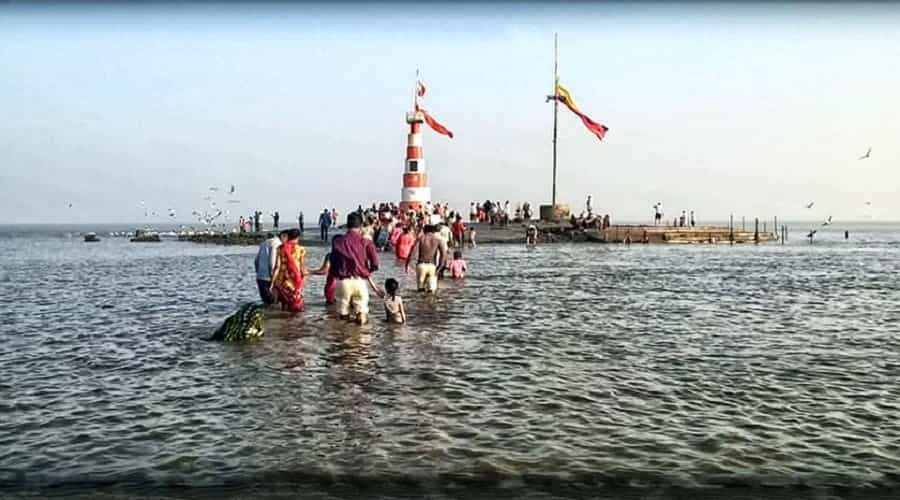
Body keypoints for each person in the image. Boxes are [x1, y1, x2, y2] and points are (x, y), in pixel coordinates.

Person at [330, 213, 380, 324]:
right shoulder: (366, 241)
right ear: (361, 225)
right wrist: (366, 271)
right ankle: (362, 338)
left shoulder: (338, 242)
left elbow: (333, 263)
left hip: (343, 282)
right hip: (359, 280)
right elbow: (375, 263)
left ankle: (345, 337)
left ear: (347, 225)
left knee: (343, 314)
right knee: (362, 313)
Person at [271, 229, 306, 313]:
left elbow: (277, 267)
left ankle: (284, 324)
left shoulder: (280, 248)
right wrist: (302, 280)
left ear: (288, 237)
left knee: (284, 304)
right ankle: (295, 324)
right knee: (295, 304)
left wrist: (272, 282)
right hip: (295, 281)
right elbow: (302, 268)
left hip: (282, 280)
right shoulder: (300, 249)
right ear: (297, 237)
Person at [406, 224, 447, 293]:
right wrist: (440, 267)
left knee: (420, 290)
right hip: (432, 266)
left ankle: (420, 302)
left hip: (421, 265)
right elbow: (443, 255)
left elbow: (413, 252)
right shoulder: (438, 240)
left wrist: (407, 263)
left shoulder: (421, 238)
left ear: (425, 230)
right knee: (431, 291)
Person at [254, 230, 288, 305]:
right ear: (283, 236)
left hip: (260, 276)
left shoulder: (265, 242)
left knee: (266, 301)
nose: (286, 242)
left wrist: (258, 272)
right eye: (287, 239)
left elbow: (256, 260)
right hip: (269, 277)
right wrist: (273, 276)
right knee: (272, 301)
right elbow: (272, 262)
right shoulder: (277, 244)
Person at [312, 235, 340, 305]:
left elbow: (324, 271)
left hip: (332, 285)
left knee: (331, 312)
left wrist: (310, 271)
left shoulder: (330, 256)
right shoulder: (349, 255)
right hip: (347, 284)